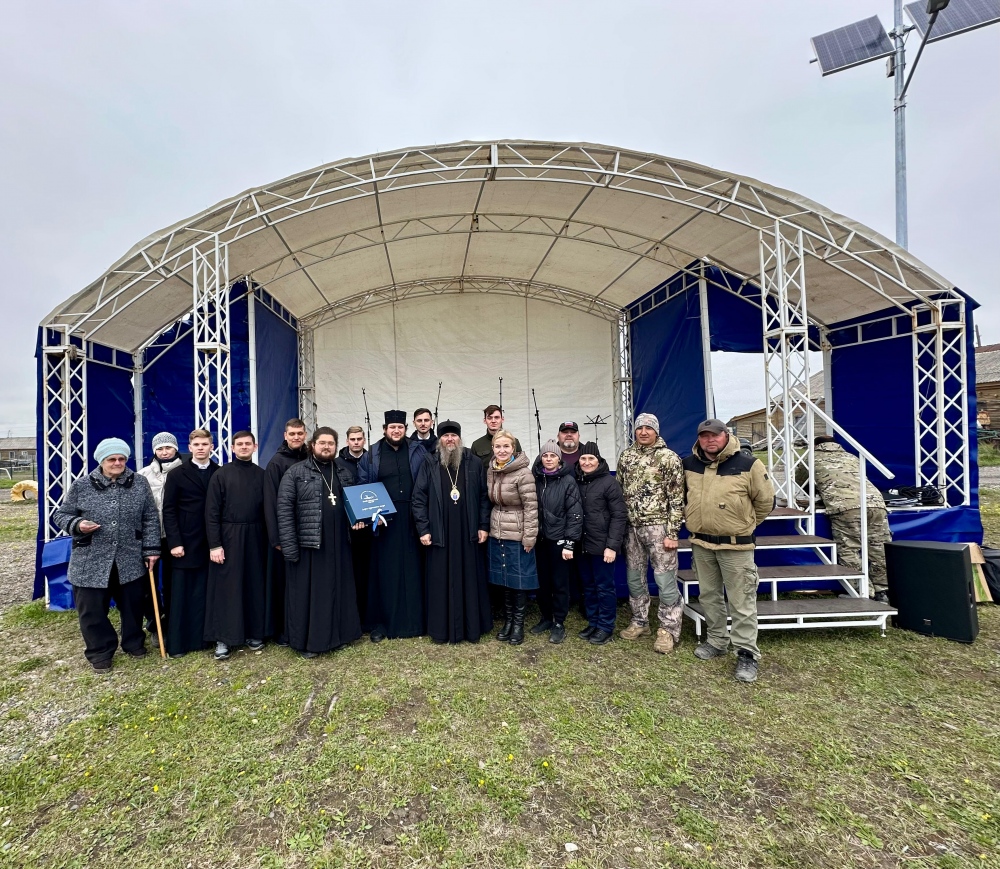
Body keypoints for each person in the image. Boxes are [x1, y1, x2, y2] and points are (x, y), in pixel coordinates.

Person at [53, 438, 160, 672]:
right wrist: (78, 524)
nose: (118, 463)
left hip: (129, 557)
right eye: (112, 459)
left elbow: (150, 518)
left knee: (133, 606)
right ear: (101, 461)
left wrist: (151, 549)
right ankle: (100, 651)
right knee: (92, 610)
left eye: (122, 459)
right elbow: (61, 515)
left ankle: (133, 642)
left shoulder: (139, 483)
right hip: (90, 558)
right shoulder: (82, 485)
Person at [682, 418, 774, 684]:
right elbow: (684, 497)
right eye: (704, 436)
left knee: (741, 601)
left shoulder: (748, 464)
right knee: (709, 596)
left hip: (736, 546)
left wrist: (744, 524)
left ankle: (746, 652)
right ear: (699, 439)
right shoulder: (689, 465)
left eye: (715, 435)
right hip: (702, 544)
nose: (710, 440)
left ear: (726, 435)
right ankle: (717, 640)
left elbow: (765, 501)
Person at [276, 427, 361, 657]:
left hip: (339, 543)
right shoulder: (295, 473)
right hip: (310, 545)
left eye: (330, 443)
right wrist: (290, 547)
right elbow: (284, 512)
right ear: (312, 445)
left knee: (338, 590)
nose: (326, 447)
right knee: (312, 596)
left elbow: (354, 505)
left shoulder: (343, 472)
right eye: (322, 443)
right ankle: (310, 642)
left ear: (336, 446)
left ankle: (340, 636)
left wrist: (358, 521)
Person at [412, 420, 493, 643]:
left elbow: (484, 496)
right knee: (441, 581)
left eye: (453, 435)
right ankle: (441, 629)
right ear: (440, 439)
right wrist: (424, 529)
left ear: (459, 438)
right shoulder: (429, 461)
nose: (450, 439)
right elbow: (418, 498)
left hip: (468, 532)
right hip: (440, 532)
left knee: (470, 578)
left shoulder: (473, 461)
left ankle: (471, 628)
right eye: (445, 436)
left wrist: (483, 525)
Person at [615, 412, 686, 654]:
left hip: (659, 528)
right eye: (639, 428)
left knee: (665, 579)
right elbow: (620, 492)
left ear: (656, 431)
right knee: (634, 577)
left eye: (648, 428)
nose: (643, 432)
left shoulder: (669, 458)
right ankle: (640, 621)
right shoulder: (626, 457)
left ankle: (668, 629)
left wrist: (673, 533)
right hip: (632, 528)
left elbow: (677, 498)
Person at [357, 410, 428, 642]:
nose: (396, 431)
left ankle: (417, 622)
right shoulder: (371, 454)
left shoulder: (419, 451)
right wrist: (371, 515)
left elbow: (427, 482)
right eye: (392, 427)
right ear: (384, 429)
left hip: (413, 517)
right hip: (384, 520)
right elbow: (363, 487)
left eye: (400, 427)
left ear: (405, 428)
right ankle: (383, 623)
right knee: (385, 571)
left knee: (415, 568)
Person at [796, 435, 892, 601]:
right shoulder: (851, 456)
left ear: (816, 446)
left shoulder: (810, 458)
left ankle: (862, 591)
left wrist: (819, 493)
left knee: (849, 548)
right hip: (876, 503)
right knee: (878, 549)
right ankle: (882, 590)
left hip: (845, 506)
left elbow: (802, 483)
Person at [203, 430, 268, 660]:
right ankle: (224, 638)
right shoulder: (221, 475)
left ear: (255, 447)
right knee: (227, 588)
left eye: (248, 444)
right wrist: (215, 545)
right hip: (229, 537)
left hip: (256, 536)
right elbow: (211, 513)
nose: (243, 447)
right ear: (232, 448)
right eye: (239, 444)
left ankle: (253, 632)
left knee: (254, 584)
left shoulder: (262, 475)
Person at [161, 429, 219, 657]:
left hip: (212, 542)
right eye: (196, 444)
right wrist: (174, 542)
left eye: (205, 444)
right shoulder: (177, 474)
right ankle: (179, 642)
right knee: (182, 593)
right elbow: (169, 510)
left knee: (206, 591)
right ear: (190, 447)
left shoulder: (219, 472)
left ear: (211, 446)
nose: (201, 448)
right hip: (185, 542)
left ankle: (206, 638)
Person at [486, 429, 538, 645]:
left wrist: (529, 536)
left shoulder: (523, 473)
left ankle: (518, 624)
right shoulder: (492, 470)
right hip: (497, 530)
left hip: (517, 531)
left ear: (513, 449)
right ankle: (508, 621)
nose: (502, 450)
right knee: (504, 580)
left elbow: (531, 507)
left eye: (506, 446)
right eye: (498, 446)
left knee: (518, 581)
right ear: (493, 448)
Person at [262, 418, 309, 645]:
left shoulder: (310, 458)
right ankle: (282, 629)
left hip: (307, 532)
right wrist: (277, 538)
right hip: (285, 534)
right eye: (292, 434)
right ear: (285, 435)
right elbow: (271, 503)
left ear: (305, 434)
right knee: (284, 583)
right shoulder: (277, 463)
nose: (296, 437)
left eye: (300, 433)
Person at [530, 439, 582, 644]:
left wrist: (570, 542)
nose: (549, 459)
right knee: (542, 582)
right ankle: (546, 617)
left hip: (559, 539)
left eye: (553, 455)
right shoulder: (536, 479)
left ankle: (559, 622)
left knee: (560, 582)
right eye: (545, 455)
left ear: (559, 459)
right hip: (539, 539)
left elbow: (575, 513)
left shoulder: (568, 481)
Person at [576, 442, 627, 645]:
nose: (587, 462)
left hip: (602, 546)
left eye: (591, 458)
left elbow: (619, 516)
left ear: (598, 460)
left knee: (604, 587)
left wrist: (612, 546)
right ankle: (593, 622)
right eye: (583, 458)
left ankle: (606, 627)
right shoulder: (577, 481)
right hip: (583, 545)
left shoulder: (609, 483)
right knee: (588, 586)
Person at [138, 431, 183, 641]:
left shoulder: (185, 471)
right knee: (148, 584)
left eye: (168, 448)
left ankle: (174, 622)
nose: (165, 452)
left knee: (174, 582)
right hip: (151, 537)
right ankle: (155, 623)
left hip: (176, 537)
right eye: (160, 449)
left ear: (176, 449)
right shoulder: (143, 475)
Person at [338, 424, 371, 623]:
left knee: (366, 570)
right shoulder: (337, 463)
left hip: (370, 528)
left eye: (359, 439)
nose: (356, 442)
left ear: (364, 440)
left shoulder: (372, 459)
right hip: (347, 527)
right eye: (353, 439)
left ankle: (366, 614)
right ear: (347, 441)